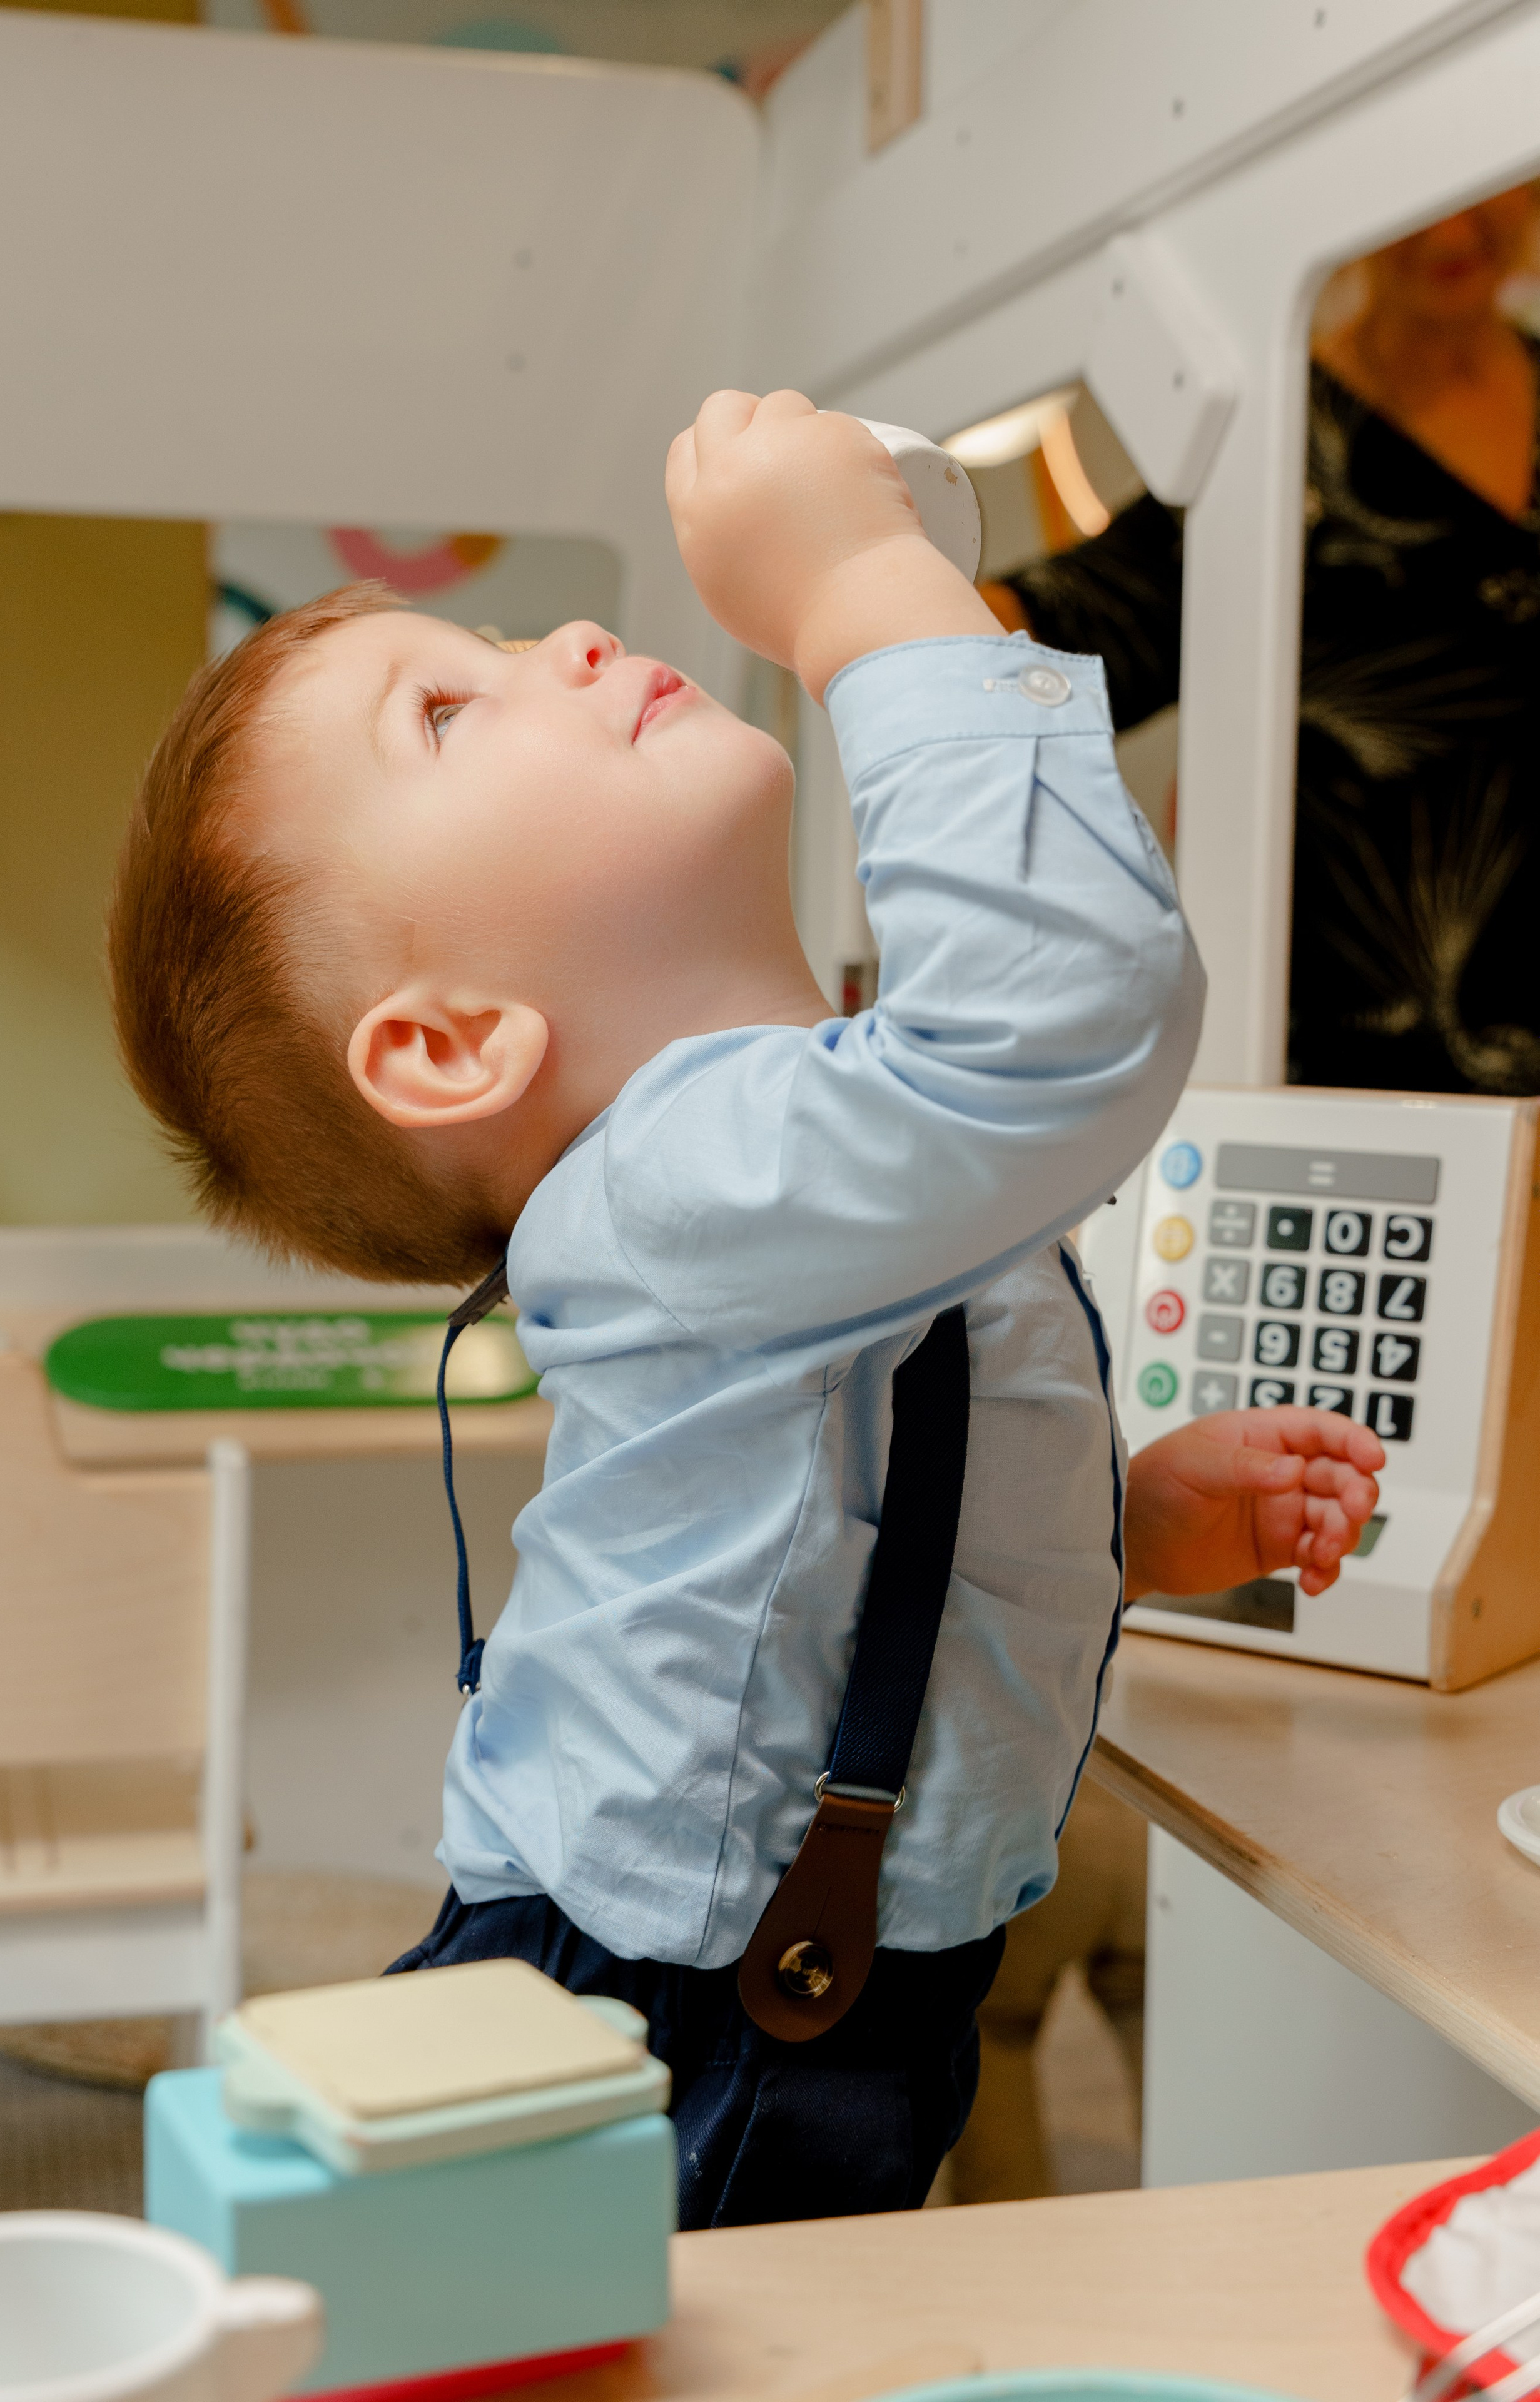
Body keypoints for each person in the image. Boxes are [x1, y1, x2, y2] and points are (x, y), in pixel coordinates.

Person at [107, 391, 1380, 2230]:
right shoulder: (675, 1181)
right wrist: (865, 582)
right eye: (450, 711)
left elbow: (862, 1492)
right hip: (676, 2010)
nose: (559, 642)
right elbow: (1061, 1012)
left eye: (483, 644)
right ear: (453, 1043)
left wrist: (1129, 1521)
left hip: (803, 1976)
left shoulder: (796, 1155)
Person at [986, 188, 1540, 1095]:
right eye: (1421, 200)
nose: (1455, 231)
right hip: (1352, 1067)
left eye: (1490, 197)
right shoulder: (1279, 438)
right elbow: (1075, 621)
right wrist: (871, 583)